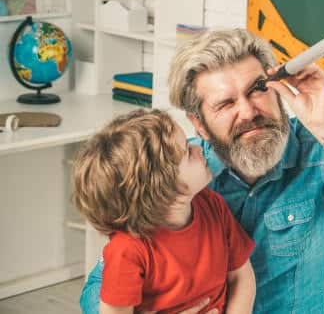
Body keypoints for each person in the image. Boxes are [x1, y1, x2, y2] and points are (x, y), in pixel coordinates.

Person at [80, 28, 324, 313]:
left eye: (257, 89)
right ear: (200, 124)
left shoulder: (321, 151)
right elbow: (99, 288)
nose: (248, 111)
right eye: (225, 104)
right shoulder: (175, 175)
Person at [73, 109, 255, 314]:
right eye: (187, 152)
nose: (198, 148)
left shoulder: (213, 206)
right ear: (163, 190)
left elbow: (242, 276)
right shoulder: (128, 250)